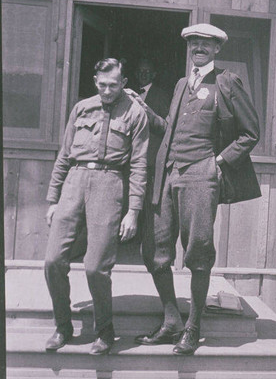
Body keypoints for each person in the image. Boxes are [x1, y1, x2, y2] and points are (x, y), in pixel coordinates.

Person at [133, 23, 261, 355]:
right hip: (168, 173)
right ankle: (171, 318)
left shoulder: (227, 82)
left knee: (198, 252)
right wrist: (144, 109)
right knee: (155, 252)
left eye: (206, 43)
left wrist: (219, 162)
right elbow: (167, 128)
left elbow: (250, 133)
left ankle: (194, 327)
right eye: (194, 43)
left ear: (217, 49)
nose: (199, 47)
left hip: (201, 175)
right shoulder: (179, 84)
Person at [44, 58, 149, 355]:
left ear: (124, 83)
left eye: (113, 85)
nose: (106, 90)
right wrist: (53, 199)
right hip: (74, 182)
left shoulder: (135, 113)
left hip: (109, 183)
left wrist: (133, 210)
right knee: (53, 261)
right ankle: (63, 326)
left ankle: (104, 331)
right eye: (102, 84)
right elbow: (64, 156)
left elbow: (140, 164)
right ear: (95, 81)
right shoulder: (82, 108)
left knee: (95, 267)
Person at [135, 58, 171, 248]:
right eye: (140, 71)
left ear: (154, 75)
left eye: (147, 71)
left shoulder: (161, 95)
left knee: (149, 200)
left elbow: (166, 126)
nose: (143, 74)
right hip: (131, 157)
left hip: (150, 157)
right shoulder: (129, 94)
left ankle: (146, 241)